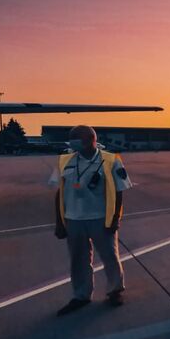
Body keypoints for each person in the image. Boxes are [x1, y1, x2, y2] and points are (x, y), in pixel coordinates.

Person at [50, 125, 133, 316]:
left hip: (100, 218)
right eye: (71, 138)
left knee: (110, 256)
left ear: (91, 139)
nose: (72, 142)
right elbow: (59, 192)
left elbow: (119, 191)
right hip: (73, 219)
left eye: (76, 138)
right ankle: (81, 295)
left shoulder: (111, 160)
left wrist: (115, 219)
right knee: (78, 259)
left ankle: (115, 291)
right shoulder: (65, 160)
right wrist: (59, 222)